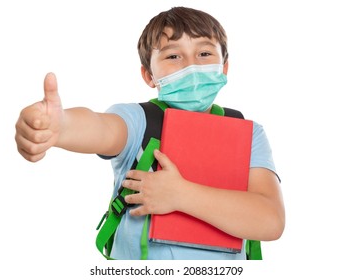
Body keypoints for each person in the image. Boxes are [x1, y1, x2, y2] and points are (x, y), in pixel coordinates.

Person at [15, 6, 285, 260]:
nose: (191, 67)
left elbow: (271, 220)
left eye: (204, 54)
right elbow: (101, 128)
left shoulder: (248, 133)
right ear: (149, 76)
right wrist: (61, 126)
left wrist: (182, 195)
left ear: (224, 67)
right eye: (173, 56)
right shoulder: (139, 120)